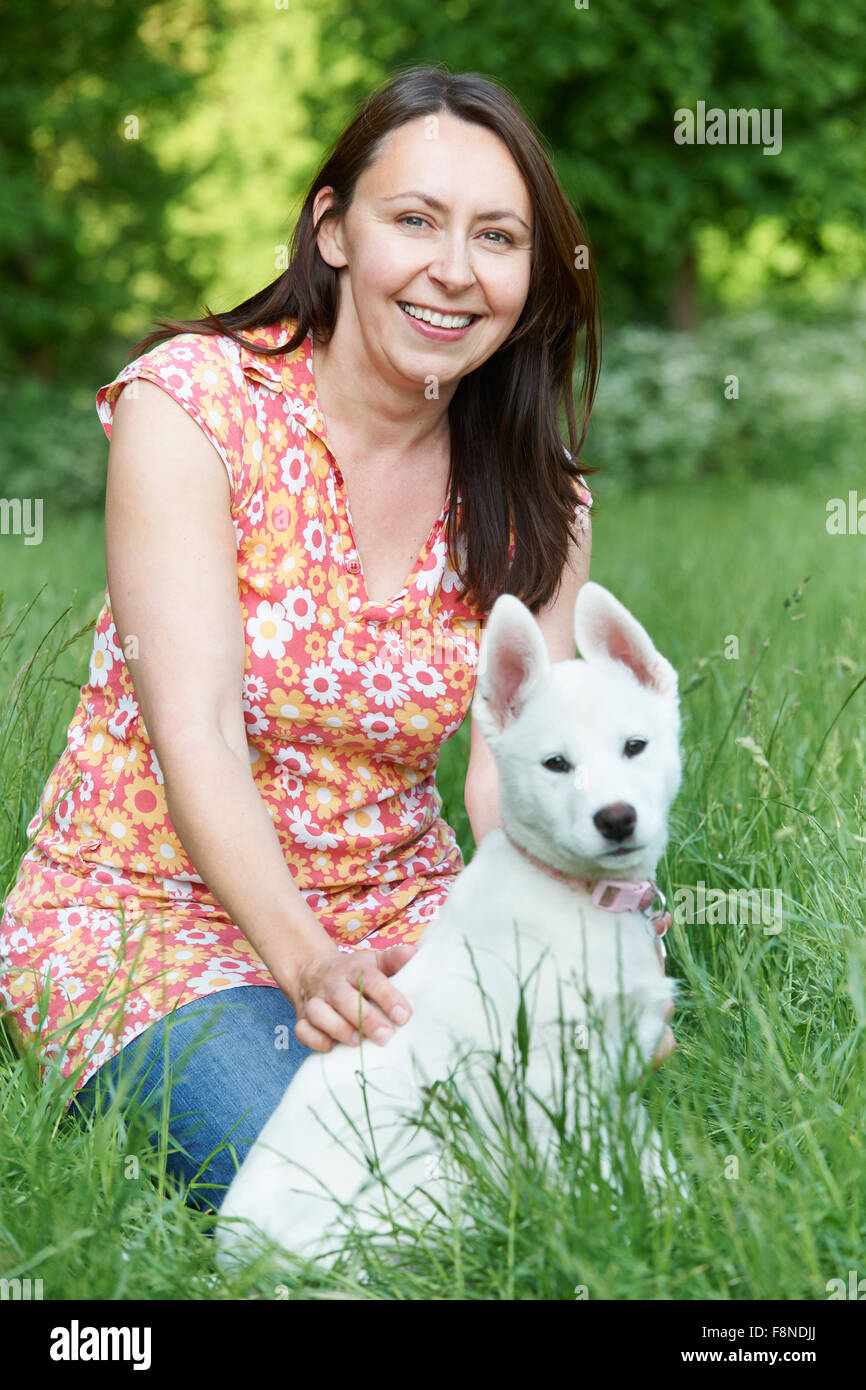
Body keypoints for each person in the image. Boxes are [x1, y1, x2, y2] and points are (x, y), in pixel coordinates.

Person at [0, 65, 673, 1212]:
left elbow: (513, 778)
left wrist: (601, 921)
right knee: (337, 1183)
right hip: (152, 921)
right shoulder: (194, 409)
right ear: (334, 231)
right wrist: (305, 962)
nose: (453, 271)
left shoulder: (533, 494)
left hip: (412, 913)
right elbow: (199, 731)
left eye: (496, 237)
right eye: (413, 220)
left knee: (561, 1141)